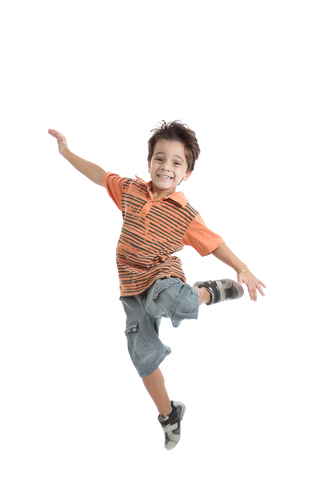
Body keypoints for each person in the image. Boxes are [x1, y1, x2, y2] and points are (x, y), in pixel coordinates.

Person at [48, 121, 266, 451]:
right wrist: (66, 153)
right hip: (130, 289)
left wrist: (242, 268)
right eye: (160, 158)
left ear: (187, 174)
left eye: (176, 162)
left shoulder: (185, 215)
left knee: (175, 301)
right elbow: (99, 174)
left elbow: (214, 242)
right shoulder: (131, 191)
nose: (166, 167)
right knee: (142, 357)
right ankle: (170, 414)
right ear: (149, 161)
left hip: (161, 276)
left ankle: (209, 291)